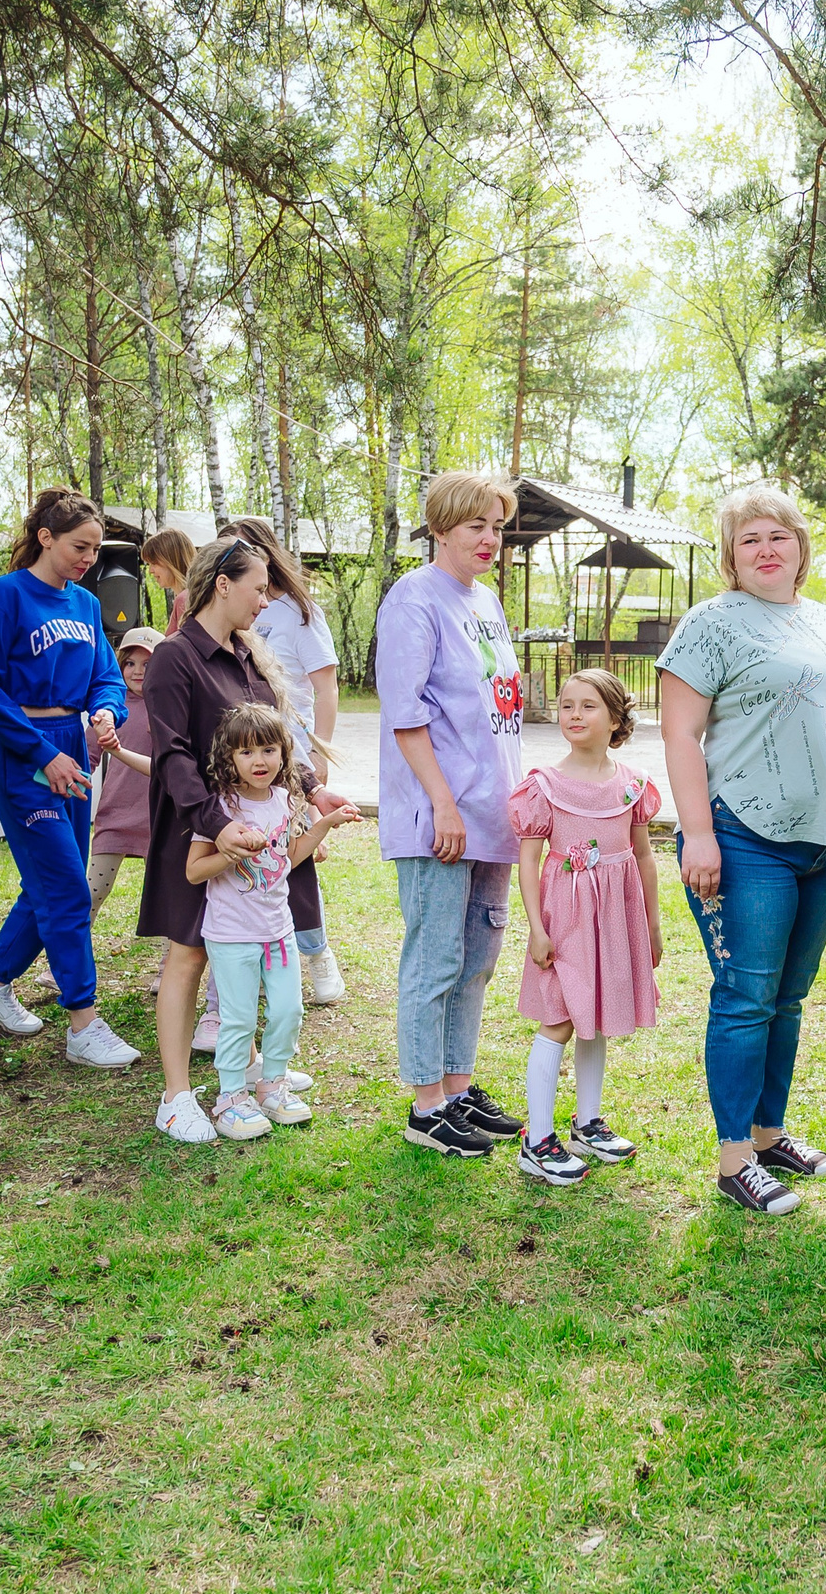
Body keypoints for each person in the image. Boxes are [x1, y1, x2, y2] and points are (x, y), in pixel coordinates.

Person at [656, 484, 826, 1216]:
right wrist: (701, 833)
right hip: (745, 836)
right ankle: (733, 1158)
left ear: (802, 548)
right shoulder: (709, 624)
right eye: (750, 539)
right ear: (730, 555)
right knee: (747, 996)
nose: (767, 548)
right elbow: (680, 734)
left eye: (779, 535)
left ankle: (770, 1133)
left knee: (789, 996)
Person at [140, 539, 350, 1141]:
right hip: (197, 824)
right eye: (258, 587)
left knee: (250, 942)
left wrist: (312, 790)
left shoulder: (248, 656)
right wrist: (213, 822)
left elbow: (274, 741)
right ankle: (176, 1094)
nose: (266, 599)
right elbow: (173, 754)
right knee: (191, 954)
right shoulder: (175, 658)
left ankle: (253, 1065)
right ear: (222, 585)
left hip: (257, 825)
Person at [0, 489, 139, 1072]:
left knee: (50, 880)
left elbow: (105, 674)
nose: (88, 558)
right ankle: (82, 1020)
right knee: (66, 887)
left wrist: (108, 712)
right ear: (46, 538)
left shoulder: (85, 604)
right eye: (79, 546)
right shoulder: (2, 597)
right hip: (21, 753)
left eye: (94, 548)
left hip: (74, 750)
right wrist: (40, 753)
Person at [377, 471, 527, 1159]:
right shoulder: (414, 599)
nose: (490, 538)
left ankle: (459, 1088)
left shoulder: (486, 600)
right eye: (476, 525)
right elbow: (406, 716)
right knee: (435, 956)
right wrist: (443, 801)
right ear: (440, 528)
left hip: (492, 816)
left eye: (497, 525)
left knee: (475, 961)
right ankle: (425, 1104)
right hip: (440, 815)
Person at [510, 669, 662, 1187]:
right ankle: (538, 1141)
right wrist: (536, 927)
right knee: (561, 1017)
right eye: (566, 705)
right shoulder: (543, 787)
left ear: (616, 718)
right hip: (566, 918)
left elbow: (642, 856)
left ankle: (588, 1123)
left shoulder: (633, 785)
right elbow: (528, 862)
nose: (573, 714)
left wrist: (653, 924)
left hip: (616, 919)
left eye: (588, 706)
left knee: (598, 1012)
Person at [185, 702, 357, 1142]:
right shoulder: (220, 807)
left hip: (278, 931)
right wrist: (231, 853)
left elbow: (290, 857)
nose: (258, 761)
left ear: (284, 753)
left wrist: (327, 824)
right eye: (246, 753)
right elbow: (193, 871)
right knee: (238, 1019)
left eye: (267, 750)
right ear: (229, 759)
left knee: (289, 1009)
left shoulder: (284, 800)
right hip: (231, 934)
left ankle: (272, 1085)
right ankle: (229, 1098)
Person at [222, 515, 347, 1004]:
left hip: (288, 754)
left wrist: (319, 751)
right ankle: (251, 958)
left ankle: (316, 955)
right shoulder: (228, 609)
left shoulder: (298, 612)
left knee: (294, 858)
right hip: (240, 753)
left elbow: (326, 686)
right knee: (247, 850)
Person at [85, 626, 161, 938]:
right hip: (115, 816)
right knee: (89, 895)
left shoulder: (171, 705)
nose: (138, 671)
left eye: (148, 664)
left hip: (160, 818)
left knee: (165, 898)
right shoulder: (112, 709)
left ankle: (167, 970)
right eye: (130, 663)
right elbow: (85, 757)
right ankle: (65, 964)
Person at [141, 527, 194, 628]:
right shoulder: (193, 596)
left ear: (172, 562)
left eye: (154, 563)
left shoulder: (184, 600)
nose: (151, 571)